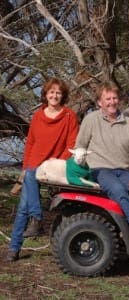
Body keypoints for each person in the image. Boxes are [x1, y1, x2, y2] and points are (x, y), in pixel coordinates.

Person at [75, 81, 129, 252]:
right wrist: (79, 167)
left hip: (123, 170)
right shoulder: (91, 120)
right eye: (107, 99)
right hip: (99, 170)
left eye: (114, 98)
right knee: (118, 190)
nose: (112, 102)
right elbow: (80, 146)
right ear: (100, 102)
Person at [6, 78, 79, 262]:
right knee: (23, 204)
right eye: (51, 92)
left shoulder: (69, 116)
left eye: (58, 93)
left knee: (27, 193)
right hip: (34, 166)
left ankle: (35, 222)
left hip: (55, 165)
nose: (54, 95)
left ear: (63, 96)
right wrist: (24, 168)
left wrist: (56, 163)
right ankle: (15, 247)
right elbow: (30, 143)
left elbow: (71, 145)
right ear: (46, 94)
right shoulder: (38, 116)